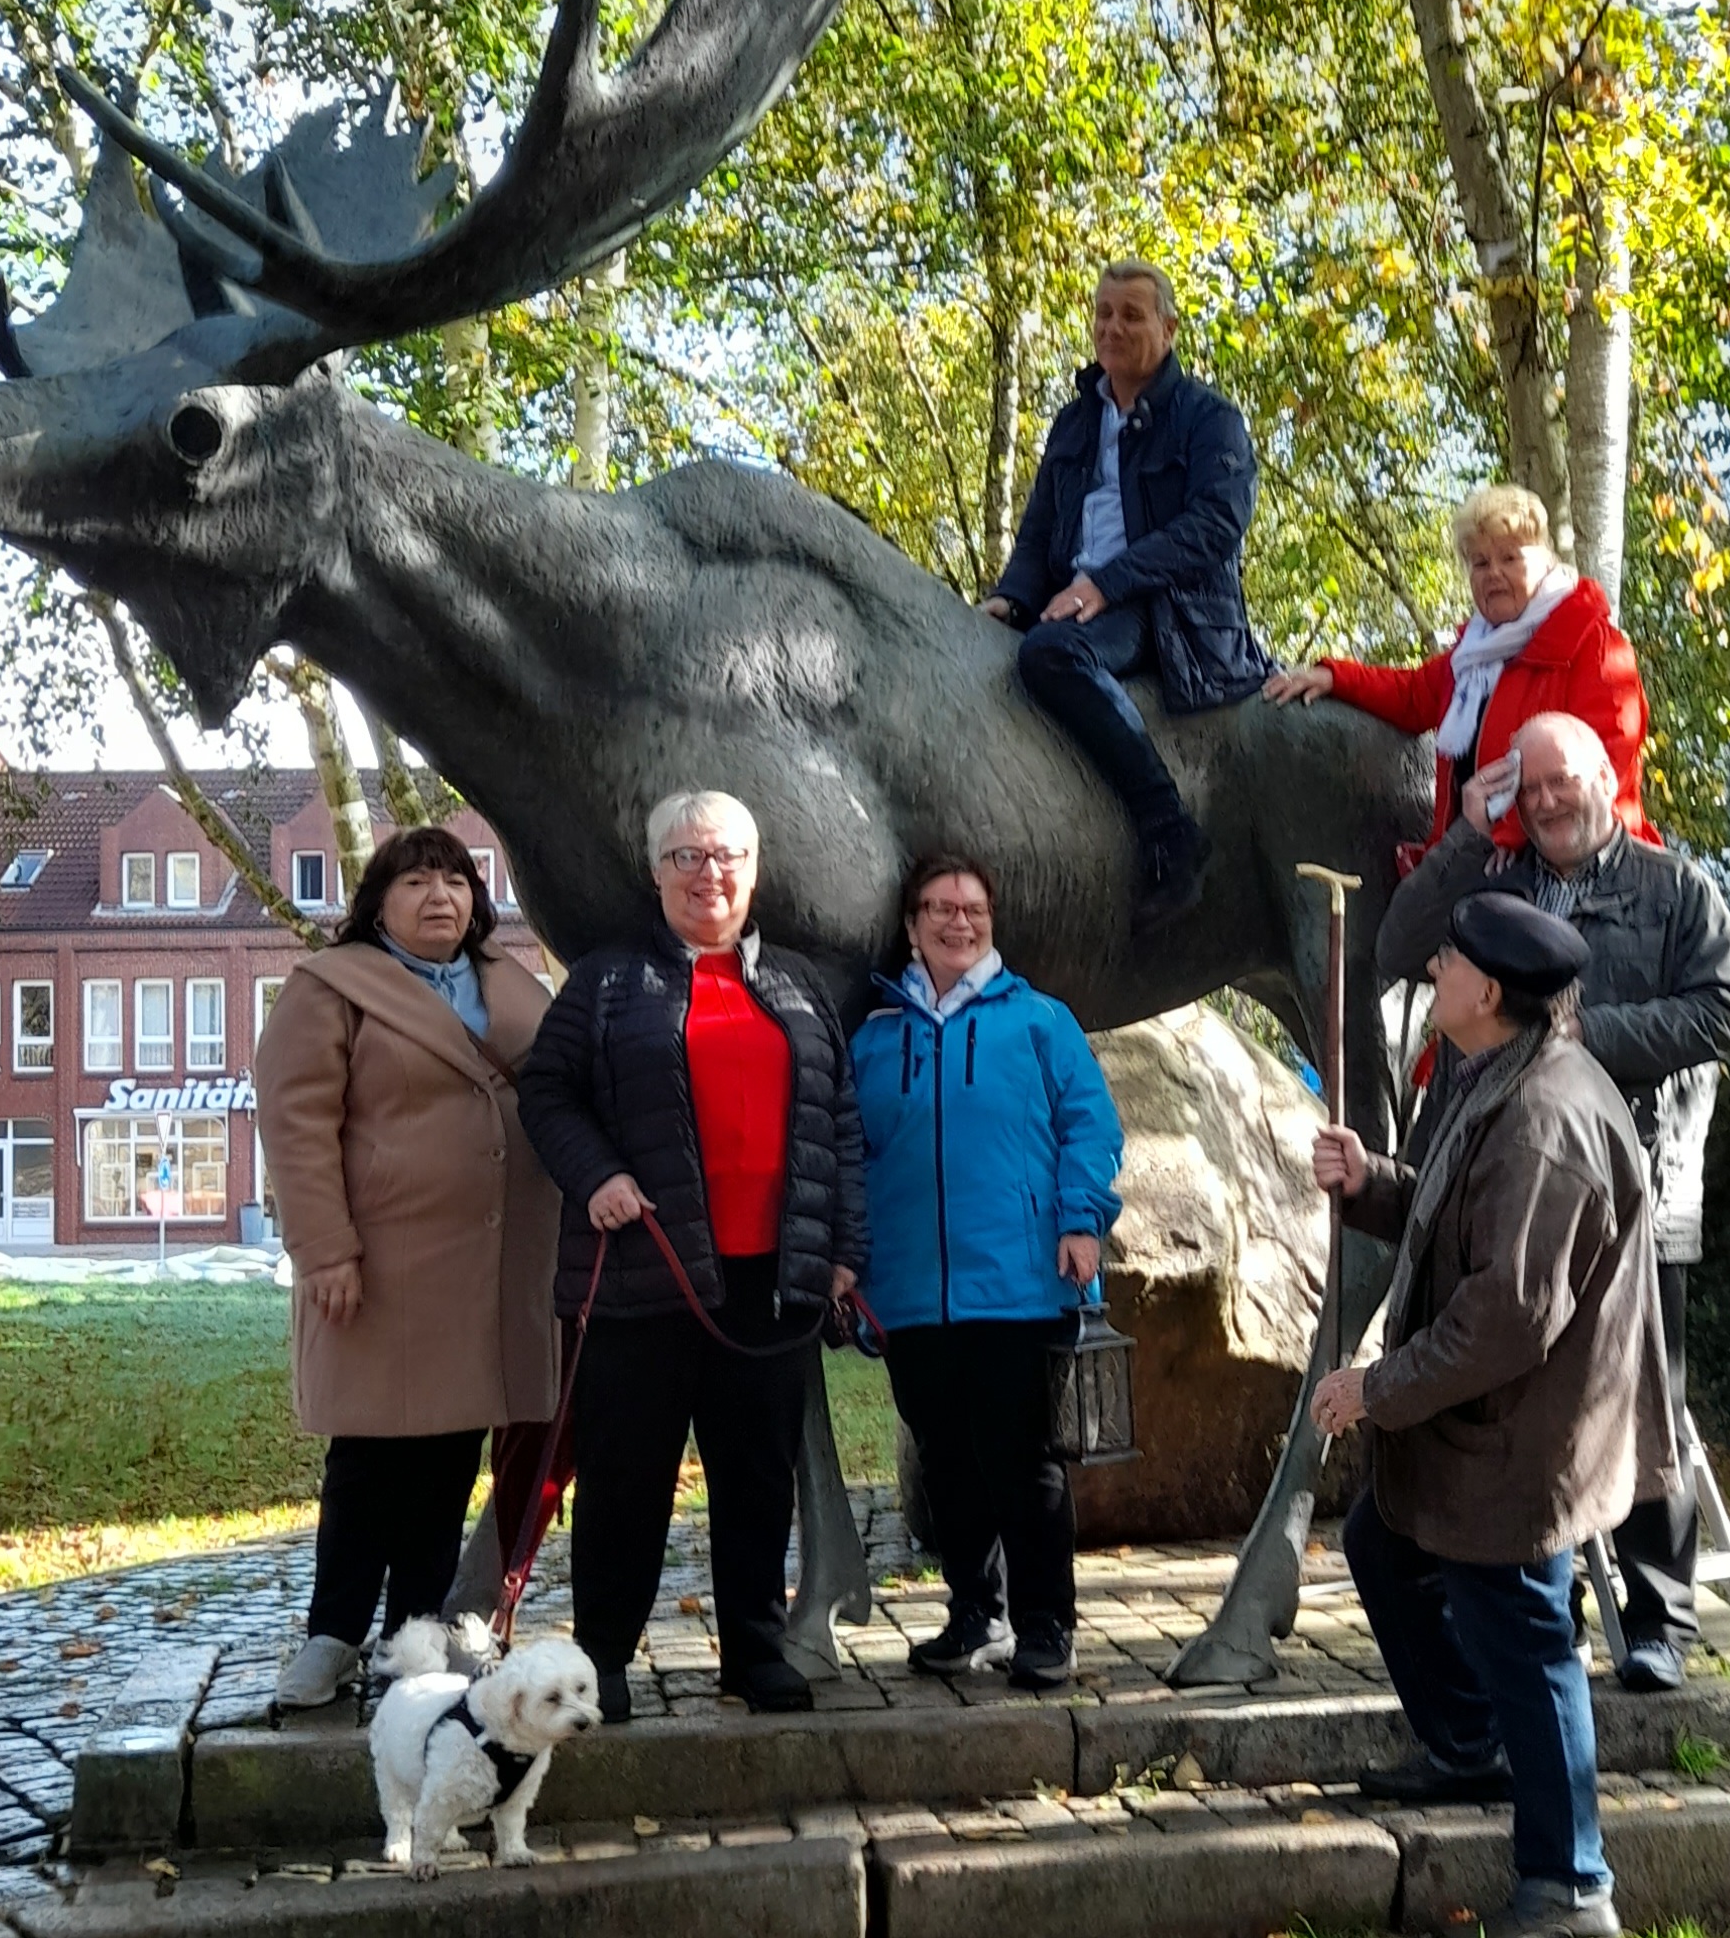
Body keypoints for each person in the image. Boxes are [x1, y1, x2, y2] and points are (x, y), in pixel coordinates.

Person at [1308, 891, 1676, 1938]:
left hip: (1519, 1439)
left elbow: (1506, 1314)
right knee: (1385, 1543)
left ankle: (1570, 1882)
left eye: (1449, 960)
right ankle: (1467, 1743)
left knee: (1527, 1640)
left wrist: (1373, 1387)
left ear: (1489, 991)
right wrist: (1373, 1182)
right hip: (1482, 1426)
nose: (1433, 968)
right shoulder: (1501, 1079)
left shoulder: (1549, 1118)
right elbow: (1464, 1209)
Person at [1375, 709, 1730, 1691]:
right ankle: (1547, 1608)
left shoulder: (1674, 890)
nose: (1544, 801)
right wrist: (1466, 827)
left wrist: (1589, 1037)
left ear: (1607, 776)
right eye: (1529, 785)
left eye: (1561, 781)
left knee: (1639, 1409)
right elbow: (1399, 943)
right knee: (1515, 1407)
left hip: (1637, 1187)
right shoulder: (1498, 881)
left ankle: (1661, 1620)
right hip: (1495, 1181)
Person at [517, 790, 867, 1721]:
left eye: (725, 857)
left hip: (774, 1283)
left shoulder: (799, 986)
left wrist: (842, 1253)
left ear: (753, 871)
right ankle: (604, 1663)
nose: (707, 875)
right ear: (655, 871)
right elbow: (546, 1092)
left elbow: (839, 1128)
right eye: (686, 857)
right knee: (626, 1478)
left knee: (756, 1478)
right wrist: (596, 1176)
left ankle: (753, 1649)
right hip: (644, 1276)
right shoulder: (603, 982)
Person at [256, 826, 562, 1709]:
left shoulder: (511, 984)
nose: (441, 896)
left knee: (447, 1459)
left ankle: (414, 1637)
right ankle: (332, 1635)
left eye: (457, 880)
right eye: (417, 880)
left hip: (493, 1269)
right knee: (368, 1460)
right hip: (379, 1267)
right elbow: (296, 1124)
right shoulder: (331, 987)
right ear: (378, 901)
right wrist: (324, 1249)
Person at [851, 853, 1124, 1691]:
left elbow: (1092, 1127)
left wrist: (1081, 1219)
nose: (955, 921)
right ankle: (976, 1611)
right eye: (937, 907)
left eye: (970, 907)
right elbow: (850, 1155)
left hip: (1016, 1282)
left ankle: (1047, 1625)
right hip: (909, 1289)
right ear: (910, 925)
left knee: (1024, 1462)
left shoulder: (1041, 1021)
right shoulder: (873, 1037)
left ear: (991, 919)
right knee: (945, 1462)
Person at [985, 262, 1270, 926]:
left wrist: (1106, 583)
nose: (1112, 327)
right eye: (1103, 313)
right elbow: (1037, 531)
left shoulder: (1208, 419)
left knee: (1051, 656)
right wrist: (1012, 597)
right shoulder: (1073, 422)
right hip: (1077, 599)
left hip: (1165, 610)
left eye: (1131, 315)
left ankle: (1169, 828)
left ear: (1167, 329)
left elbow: (1215, 526)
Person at [1265, 485, 1656, 869]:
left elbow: (1606, 771)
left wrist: (1509, 834)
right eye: (1480, 563)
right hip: (1480, 858)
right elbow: (1413, 695)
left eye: (1510, 558)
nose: (1494, 574)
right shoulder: (1473, 655)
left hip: (1581, 867)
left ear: (1546, 561)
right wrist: (1334, 677)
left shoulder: (1592, 644)